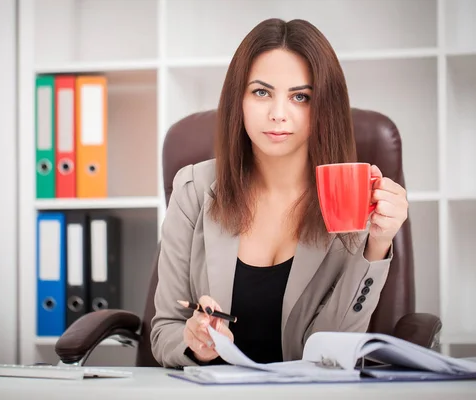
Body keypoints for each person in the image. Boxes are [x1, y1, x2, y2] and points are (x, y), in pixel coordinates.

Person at [150, 18, 409, 368]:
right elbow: (164, 328)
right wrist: (192, 340)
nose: (278, 115)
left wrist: (376, 245)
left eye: (300, 97)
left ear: (324, 108)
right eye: (261, 92)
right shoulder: (193, 188)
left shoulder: (349, 194)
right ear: (237, 100)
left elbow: (334, 349)